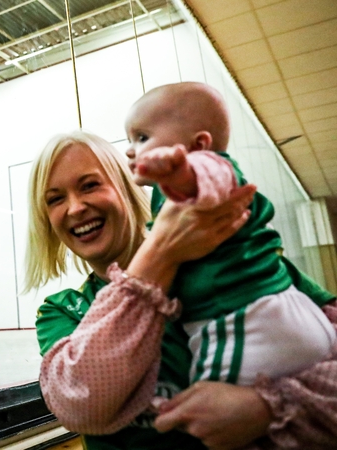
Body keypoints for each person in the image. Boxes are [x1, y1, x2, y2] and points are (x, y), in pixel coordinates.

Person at [27, 130, 337, 449]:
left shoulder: (237, 262)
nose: (75, 208)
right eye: (55, 199)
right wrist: (159, 253)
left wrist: (266, 408)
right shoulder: (63, 310)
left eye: (90, 185)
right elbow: (79, 405)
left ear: (125, 186)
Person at [124, 81, 335, 387]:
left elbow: (207, 181)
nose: (131, 149)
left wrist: (178, 173)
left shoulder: (211, 166)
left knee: (213, 397)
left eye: (142, 137)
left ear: (199, 145)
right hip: (267, 314)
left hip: (245, 319)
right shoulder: (170, 193)